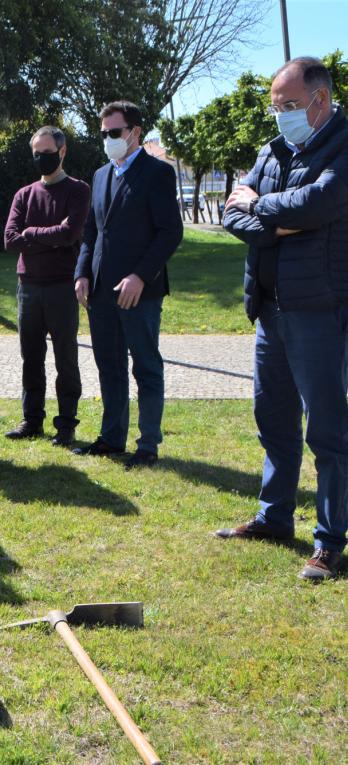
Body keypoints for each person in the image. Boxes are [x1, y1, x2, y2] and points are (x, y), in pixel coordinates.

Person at [216, 57, 348, 582]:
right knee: (272, 418)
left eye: (288, 105)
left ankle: (330, 540)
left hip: (319, 308)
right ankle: (274, 518)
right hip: (269, 306)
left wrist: (262, 206)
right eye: (275, 106)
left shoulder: (343, 143)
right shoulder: (271, 150)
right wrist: (278, 224)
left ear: (321, 99)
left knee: (329, 430)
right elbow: (231, 213)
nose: (280, 115)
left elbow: (321, 201)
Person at [73, 101, 183, 469]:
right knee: (109, 365)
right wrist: (82, 272)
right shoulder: (101, 174)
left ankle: (148, 443)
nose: (108, 139)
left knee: (146, 366)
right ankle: (111, 437)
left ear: (135, 132)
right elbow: (91, 230)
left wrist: (140, 275)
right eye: (103, 133)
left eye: (114, 133)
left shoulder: (158, 173)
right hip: (101, 290)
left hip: (141, 290)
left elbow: (170, 232)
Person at [3, 126, 91, 447]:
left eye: (47, 152)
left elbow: (70, 233)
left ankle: (66, 423)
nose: (41, 158)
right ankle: (32, 420)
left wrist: (31, 235)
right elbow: (10, 240)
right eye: (36, 153)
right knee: (31, 356)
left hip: (62, 287)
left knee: (65, 356)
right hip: (28, 287)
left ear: (62, 151)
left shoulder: (78, 190)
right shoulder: (24, 195)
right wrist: (45, 237)